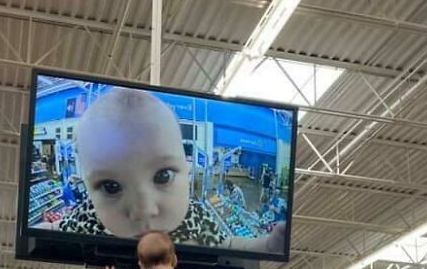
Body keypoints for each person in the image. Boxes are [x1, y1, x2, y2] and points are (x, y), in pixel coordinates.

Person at [34, 87, 285, 253]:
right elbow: (59, 230)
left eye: (162, 176)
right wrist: (41, 233)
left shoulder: (194, 217)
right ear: (88, 188)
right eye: (111, 187)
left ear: (187, 172)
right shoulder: (89, 216)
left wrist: (267, 244)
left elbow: (229, 243)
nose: (144, 209)